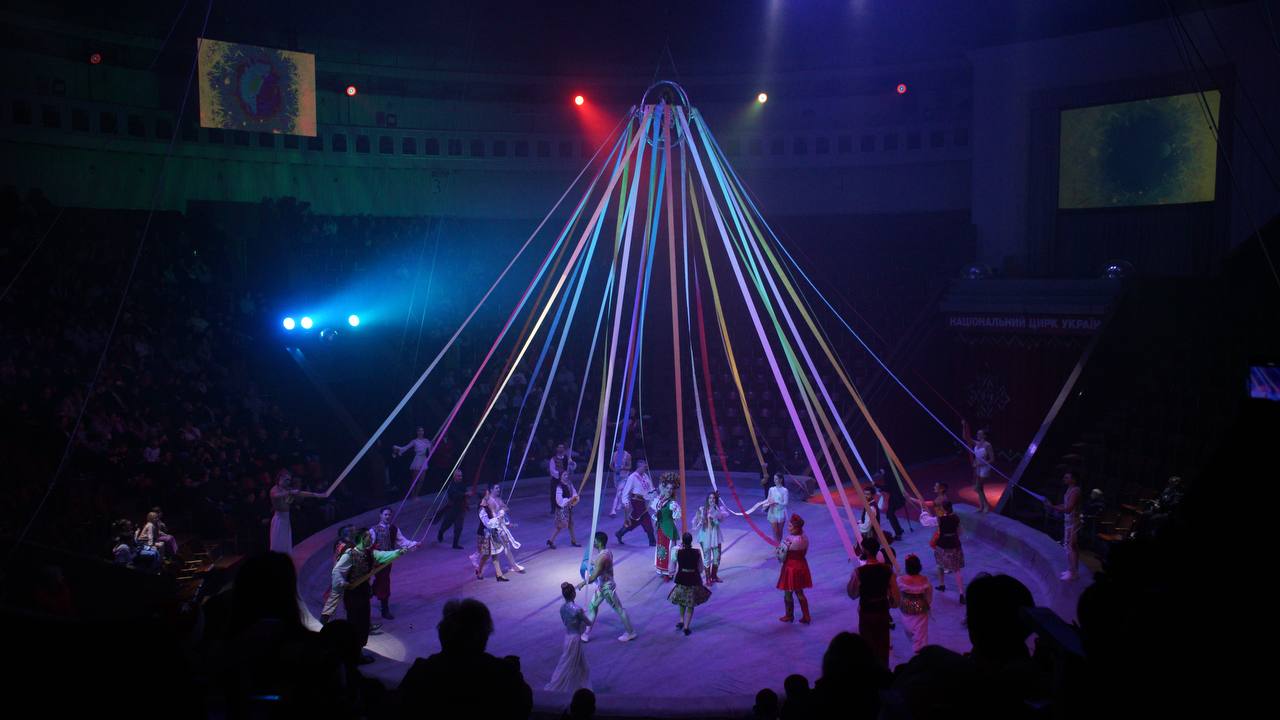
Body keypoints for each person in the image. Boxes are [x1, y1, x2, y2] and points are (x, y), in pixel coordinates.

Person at [398, 599, 533, 719]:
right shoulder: (504, 675)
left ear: (442, 634)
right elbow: (523, 707)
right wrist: (512, 672)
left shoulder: (421, 672)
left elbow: (401, 708)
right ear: (484, 635)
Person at [332, 528, 411, 663]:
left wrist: (398, 552)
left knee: (362, 623)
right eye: (367, 536)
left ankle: (357, 652)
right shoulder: (348, 553)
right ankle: (355, 654)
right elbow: (338, 570)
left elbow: (382, 556)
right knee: (356, 623)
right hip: (353, 593)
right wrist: (342, 582)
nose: (370, 539)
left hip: (362, 592)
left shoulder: (368, 552)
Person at [847, 536, 899, 668]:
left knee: (867, 644)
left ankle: (870, 672)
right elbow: (895, 598)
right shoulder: (887, 570)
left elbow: (852, 594)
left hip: (866, 610)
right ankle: (883, 670)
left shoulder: (859, 572)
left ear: (865, 551)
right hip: (882, 609)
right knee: (883, 643)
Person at [576, 531, 637, 642]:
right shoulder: (607, 552)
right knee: (592, 607)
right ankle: (586, 634)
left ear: (599, 542)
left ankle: (630, 632)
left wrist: (582, 583)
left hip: (606, 588)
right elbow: (601, 566)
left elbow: (593, 577)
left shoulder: (602, 557)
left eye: (594, 541)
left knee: (619, 609)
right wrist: (593, 563)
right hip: (602, 587)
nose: (593, 543)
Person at [370, 507, 420, 619]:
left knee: (382, 580)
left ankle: (371, 592)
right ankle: (384, 608)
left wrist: (414, 544)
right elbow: (368, 546)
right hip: (377, 560)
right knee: (384, 582)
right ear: (380, 515)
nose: (388, 517)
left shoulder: (394, 529)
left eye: (389, 515)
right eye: (385, 514)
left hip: (388, 560)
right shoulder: (373, 530)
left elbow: (402, 541)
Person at [546, 582, 592, 692]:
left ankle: (581, 686)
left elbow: (566, 623)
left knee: (579, 665)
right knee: (569, 665)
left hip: (568, 638)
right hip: (575, 640)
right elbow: (588, 623)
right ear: (573, 594)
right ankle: (566, 687)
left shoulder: (562, 608)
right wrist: (584, 614)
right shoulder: (577, 610)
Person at [269, 469, 321, 555]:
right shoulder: (275, 489)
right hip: (279, 520)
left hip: (286, 519)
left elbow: (301, 493)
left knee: (285, 542)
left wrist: (317, 495)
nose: (287, 482)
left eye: (289, 480)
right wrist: (289, 492)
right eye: (286, 479)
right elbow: (276, 495)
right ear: (280, 478)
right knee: (278, 543)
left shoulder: (287, 489)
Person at [1043, 470, 1082, 581]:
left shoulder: (1075, 491)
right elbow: (1065, 505)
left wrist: (1052, 507)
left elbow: (1068, 509)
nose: (1064, 479)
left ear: (1073, 479)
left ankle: (1073, 573)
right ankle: (1073, 570)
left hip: (1073, 522)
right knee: (1072, 546)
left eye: (1067, 477)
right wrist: (1053, 506)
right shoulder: (1069, 489)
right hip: (1069, 521)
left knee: (1070, 547)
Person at [668, 532, 709, 635]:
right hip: (693, 580)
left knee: (682, 601)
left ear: (682, 541)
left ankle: (681, 620)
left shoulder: (678, 552)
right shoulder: (697, 552)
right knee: (690, 604)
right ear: (691, 541)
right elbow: (700, 568)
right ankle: (686, 627)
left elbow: (673, 561)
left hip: (681, 579)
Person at [776, 514, 812, 624]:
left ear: (796, 528)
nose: (788, 528)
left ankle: (789, 615)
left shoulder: (789, 540)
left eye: (790, 526)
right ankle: (806, 616)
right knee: (799, 592)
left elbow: (781, 555)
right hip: (801, 566)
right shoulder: (805, 538)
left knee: (788, 592)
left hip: (790, 568)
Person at [896, 553, 933, 654]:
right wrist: (926, 603)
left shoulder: (900, 580)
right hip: (920, 611)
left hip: (905, 610)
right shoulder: (925, 580)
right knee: (921, 635)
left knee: (909, 630)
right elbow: (929, 597)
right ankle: (920, 651)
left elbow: (898, 594)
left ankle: (917, 648)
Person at [472, 487, 511, 582]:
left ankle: (499, 575)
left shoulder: (489, 505)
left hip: (492, 533)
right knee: (487, 555)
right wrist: (498, 518)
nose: (489, 495)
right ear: (484, 496)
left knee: (495, 554)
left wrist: (501, 513)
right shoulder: (481, 509)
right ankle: (479, 571)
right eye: (487, 494)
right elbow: (488, 523)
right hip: (484, 534)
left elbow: (497, 512)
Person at [320, 524, 356, 625]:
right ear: (347, 533)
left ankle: (325, 620)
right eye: (352, 531)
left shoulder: (339, 543)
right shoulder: (348, 546)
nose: (354, 532)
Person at [487, 483, 526, 573]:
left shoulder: (498, 499)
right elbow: (491, 516)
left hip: (500, 526)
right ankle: (480, 567)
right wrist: (499, 515)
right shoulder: (489, 501)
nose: (498, 489)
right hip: (494, 527)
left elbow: (506, 507)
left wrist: (502, 511)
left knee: (505, 546)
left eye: (498, 488)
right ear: (491, 490)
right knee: (493, 550)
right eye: (496, 488)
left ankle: (514, 566)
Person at [616, 458, 655, 546]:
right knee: (646, 519)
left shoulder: (645, 476)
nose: (646, 468)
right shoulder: (632, 477)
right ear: (639, 467)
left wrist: (653, 494)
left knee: (635, 520)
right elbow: (625, 492)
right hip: (636, 501)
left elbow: (650, 487)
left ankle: (620, 533)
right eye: (644, 467)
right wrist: (625, 503)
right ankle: (652, 541)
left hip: (643, 501)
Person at [932, 501, 966, 602]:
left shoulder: (940, 519)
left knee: (939, 565)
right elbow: (960, 532)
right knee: (957, 570)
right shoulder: (956, 518)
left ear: (943, 508)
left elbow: (927, 522)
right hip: (954, 544)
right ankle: (961, 594)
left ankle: (942, 585)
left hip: (942, 544)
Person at [692, 491, 729, 583]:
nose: (711, 500)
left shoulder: (718, 510)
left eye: (713, 498)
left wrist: (715, 515)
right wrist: (701, 518)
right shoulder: (702, 509)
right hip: (705, 536)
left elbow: (720, 519)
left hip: (715, 536)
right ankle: (708, 578)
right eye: (710, 498)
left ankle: (714, 576)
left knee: (717, 557)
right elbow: (696, 522)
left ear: (716, 500)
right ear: (707, 499)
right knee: (707, 557)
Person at [651, 473, 682, 579]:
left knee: (669, 550)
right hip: (661, 528)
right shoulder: (661, 500)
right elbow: (657, 512)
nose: (669, 490)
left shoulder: (672, 503)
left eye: (671, 489)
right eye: (667, 488)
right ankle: (661, 569)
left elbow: (676, 516)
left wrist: (673, 514)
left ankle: (669, 572)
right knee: (661, 549)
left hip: (668, 529)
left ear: (673, 490)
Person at [961, 420, 993, 512]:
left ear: (984, 436)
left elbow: (992, 459)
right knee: (980, 488)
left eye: (980, 434)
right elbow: (965, 437)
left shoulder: (988, 445)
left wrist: (981, 463)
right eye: (977, 433)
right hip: (977, 468)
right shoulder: (976, 443)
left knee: (977, 487)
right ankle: (981, 506)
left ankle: (986, 505)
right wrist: (964, 425)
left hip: (984, 468)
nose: (977, 435)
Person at [547, 467, 581, 549]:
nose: (566, 476)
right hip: (561, 510)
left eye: (566, 474)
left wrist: (575, 497)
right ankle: (551, 541)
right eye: (564, 475)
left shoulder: (569, 484)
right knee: (560, 526)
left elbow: (574, 492)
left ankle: (573, 541)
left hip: (568, 508)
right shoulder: (559, 487)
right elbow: (559, 501)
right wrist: (569, 500)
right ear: (560, 476)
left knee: (570, 524)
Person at [435, 469, 470, 549]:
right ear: (454, 476)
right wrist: (465, 494)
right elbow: (454, 494)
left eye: (461, 476)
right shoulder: (451, 485)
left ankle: (455, 544)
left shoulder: (463, 484)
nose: (460, 477)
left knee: (459, 527)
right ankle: (441, 532)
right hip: (452, 508)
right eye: (458, 476)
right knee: (446, 524)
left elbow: (465, 493)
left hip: (461, 509)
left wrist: (467, 497)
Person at [873, 471, 906, 539]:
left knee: (890, 515)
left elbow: (888, 488)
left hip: (896, 499)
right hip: (896, 497)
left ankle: (898, 533)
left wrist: (877, 485)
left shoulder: (888, 475)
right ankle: (899, 530)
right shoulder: (890, 474)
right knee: (890, 514)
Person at [549, 443, 577, 515]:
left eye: (562, 447)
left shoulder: (567, 458)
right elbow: (552, 470)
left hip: (565, 479)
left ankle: (568, 507)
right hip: (556, 479)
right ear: (557, 449)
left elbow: (572, 467)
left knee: (568, 493)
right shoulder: (553, 459)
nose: (561, 449)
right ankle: (554, 509)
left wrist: (572, 464)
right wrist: (560, 474)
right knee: (554, 494)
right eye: (559, 447)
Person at [763, 473, 790, 544]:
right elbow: (768, 499)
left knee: (779, 531)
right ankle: (777, 544)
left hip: (781, 512)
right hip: (773, 512)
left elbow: (785, 503)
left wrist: (777, 502)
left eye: (776, 479)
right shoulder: (771, 489)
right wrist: (764, 504)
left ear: (781, 480)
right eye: (774, 479)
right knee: (775, 531)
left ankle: (779, 544)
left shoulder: (784, 490)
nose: (774, 480)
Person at [609, 444, 632, 517]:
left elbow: (629, 467)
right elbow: (611, 465)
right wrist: (615, 470)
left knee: (618, 492)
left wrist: (622, 468)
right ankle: (620, 502)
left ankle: (613, 510)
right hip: (616, 476)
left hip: (624, 477)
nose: (618, 449)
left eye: (619, 447)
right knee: (619, 490)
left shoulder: (627, 455)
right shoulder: (614, 454)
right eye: (617, 447)